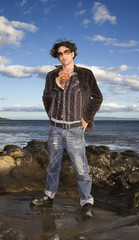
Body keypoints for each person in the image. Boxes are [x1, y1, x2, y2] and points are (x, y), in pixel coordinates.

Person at [31, 40, 103, 217]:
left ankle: (86, 201)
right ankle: (49, 194)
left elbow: (98, 97)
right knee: (53, 165)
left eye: (66, 52)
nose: (63, 55)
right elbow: (46, 98)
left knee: (81, 168)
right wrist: (52, 115)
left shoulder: (85, 74)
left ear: (73, 53)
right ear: (57, 56)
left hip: (75, 129)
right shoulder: (51, 75)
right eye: (60, 53)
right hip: (55, 128)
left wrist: (86, 118)